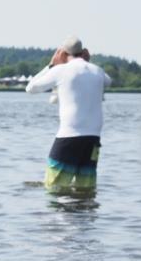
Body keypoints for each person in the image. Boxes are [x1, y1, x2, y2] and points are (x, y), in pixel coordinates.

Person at [25, 36, 111, 192]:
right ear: (84, 52)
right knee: (85, 188)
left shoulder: (60, 70)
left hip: (69, 137)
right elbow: (108, 82)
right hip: (93, 138)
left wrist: (51, 65)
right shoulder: (98, 71)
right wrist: (88, 62)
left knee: (54, 187)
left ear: (63, 54)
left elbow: (30, 88)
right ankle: (84, 212)